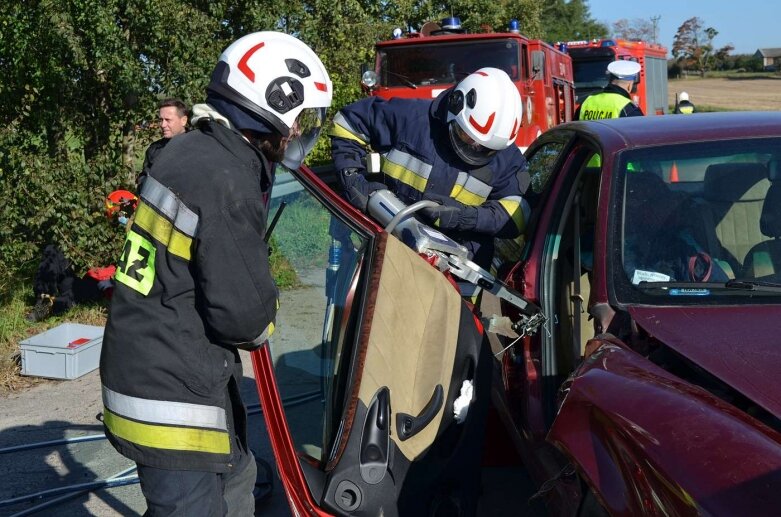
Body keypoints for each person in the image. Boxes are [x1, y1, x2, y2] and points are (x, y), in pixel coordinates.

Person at [99, 31, 332, 516]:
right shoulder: (226, 182)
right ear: (270, 106)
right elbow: (245, 321)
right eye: (297, 120)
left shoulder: (185, 152)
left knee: (242, 478)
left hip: (147, 364)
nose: (295, 134)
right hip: (171, 401)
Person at [330, 67, 530, 269]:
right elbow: (348, 122)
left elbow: (519, 214)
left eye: (485, 150)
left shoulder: (507, 158)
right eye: (467, 138)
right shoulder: (411, 118)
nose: (475, 148)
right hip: (387, 250)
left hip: (457, 272)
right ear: (455, 107)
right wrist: (353, 179)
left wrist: (465, 216)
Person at [24, 190, 137, 322]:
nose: (114, 220)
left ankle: (50, 307)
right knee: (53, 250)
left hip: (102, 285)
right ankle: (42, 296)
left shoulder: (136, 237)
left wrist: (110, 276)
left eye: (117, 216)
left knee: (77, 293)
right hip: (86, 275)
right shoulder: (103, 229)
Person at [137, 98, 189, 189]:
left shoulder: (196, 147)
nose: (162, 125)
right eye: (161, 120)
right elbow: (143, 178)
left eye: (168, 120)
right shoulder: (155, 149)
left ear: (183, 120)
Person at [574, 60, 644, 120]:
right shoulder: (628, 109)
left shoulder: (587, 102)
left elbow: (574, 130)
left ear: (610, 80)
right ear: (629, 86)